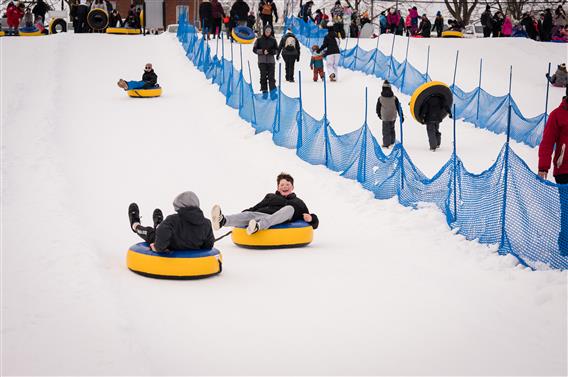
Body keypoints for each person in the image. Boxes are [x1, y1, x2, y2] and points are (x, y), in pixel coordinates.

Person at [211, 173, 319, 235]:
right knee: (250, 214)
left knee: (289, 208)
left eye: (287, 184)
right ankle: (223, 221)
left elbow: (314, 222)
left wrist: (311, 218)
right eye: (282, 185)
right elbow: (256, 207)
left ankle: (259, 226)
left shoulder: (298, 203)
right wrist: (244, 214)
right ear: (278, 187)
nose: (284, 187)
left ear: (292, 187)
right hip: (263, 215)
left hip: (281, 218)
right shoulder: (270, 196)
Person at [128, 191, 215, 253]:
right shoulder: (207, 223)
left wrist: (158, 248)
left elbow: (162, 232)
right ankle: (158, 224)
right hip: (169, 235)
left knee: (150, 232)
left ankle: (135, 224)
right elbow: (208, 245)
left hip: (169, 245)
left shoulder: (172, 220)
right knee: (162, 229)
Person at [538, 87, 568, 256]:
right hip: (564, 170)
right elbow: (547, 141)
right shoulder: (557, 114)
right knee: (567, 209)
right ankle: (565, 246)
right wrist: (543, 166)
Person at [253, 24, 278, 99]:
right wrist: (262, 51)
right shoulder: (259, 39)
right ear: (264, 31)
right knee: (263, 77)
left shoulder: (273, 40)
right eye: (267, 31)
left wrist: (271, 51)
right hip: (262, 61)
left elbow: (277, 50)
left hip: (271, 62)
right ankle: (265, 92)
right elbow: (254, 50)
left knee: (271, 77)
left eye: (269, 31)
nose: (268, 32)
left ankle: (273, 93)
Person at [376, 80, 403, 148]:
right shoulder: (394, 98)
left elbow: (378, 108)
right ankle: (392, 142)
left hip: (385, 116)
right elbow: (398, 107)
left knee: (386, 131)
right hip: (393, 116)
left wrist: (379, 115)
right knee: (392, 128)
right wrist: (401, 116)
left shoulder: (380, 98)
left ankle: (386, 144)